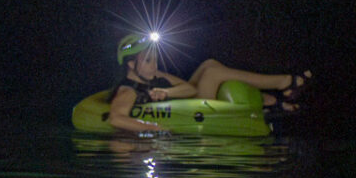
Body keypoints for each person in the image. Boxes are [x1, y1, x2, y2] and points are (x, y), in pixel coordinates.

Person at [103, 32, 313, 134]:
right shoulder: (128, 91)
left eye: (155, 58)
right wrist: (154, 128)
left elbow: (189, 88)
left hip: (190, 103)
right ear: (131, 65)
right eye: (148, 60)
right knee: (212, 73)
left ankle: (271, 101)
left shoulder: (154, 75)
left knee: (209, 64)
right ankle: (284, 82)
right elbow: (116, 118)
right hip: (193, 111)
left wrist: (166, 93)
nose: (155, 64)